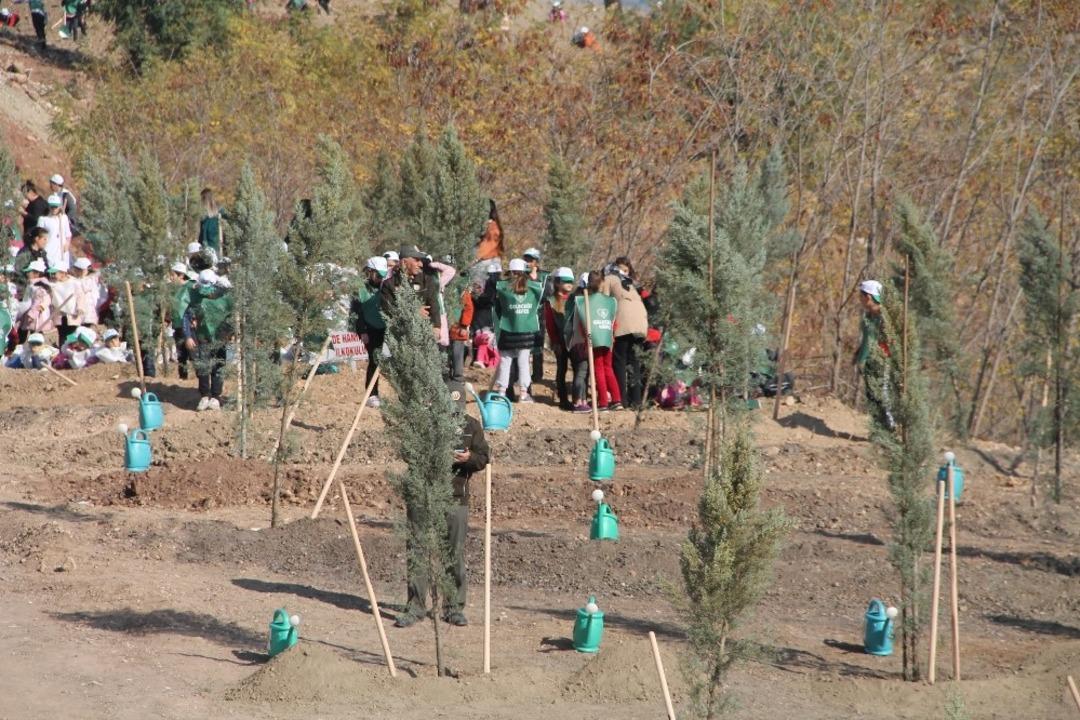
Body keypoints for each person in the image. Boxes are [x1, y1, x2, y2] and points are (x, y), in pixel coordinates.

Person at [396, 382, 490, 628]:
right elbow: (407, 451)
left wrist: (468, 458)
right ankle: (415, 607)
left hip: (456, 497)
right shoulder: (423, 422)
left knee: (453, 553)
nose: (452, 414)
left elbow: (483, 458)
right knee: (418, 552)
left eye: (456, 409)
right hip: (422, 495)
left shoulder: (471, 426)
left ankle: (453, 607)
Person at [380, 244, 456, 354]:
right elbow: (387, 310)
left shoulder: (427, 281)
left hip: (423, 335)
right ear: (404, 262)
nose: (420, 264)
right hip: (399, 337)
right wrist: (413, 311)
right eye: (416, 260)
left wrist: (436, 327)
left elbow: (434, 305)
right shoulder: (389, 285)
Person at [567, 270, 620, 410]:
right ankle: (616, 399)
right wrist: (611, 335)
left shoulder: (584, 302)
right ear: (602, 283)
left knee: (599, 370)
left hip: (593, 340)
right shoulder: (610, 301)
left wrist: (586, 339)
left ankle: (603, 402)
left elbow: (580, 325)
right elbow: (614, 322)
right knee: (608, 368)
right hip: (607, 338)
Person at [492, 258, 543, 402]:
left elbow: (497, 307)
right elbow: (543, 297)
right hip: (526, 332)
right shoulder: (533, 287)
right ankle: (523, 393)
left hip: (508, 331)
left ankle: (501, 393)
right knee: (524, 363)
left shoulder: (502, 287)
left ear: (510, 271)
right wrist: (534, 276)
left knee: (505, 362)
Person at [184, 269, 234, 411]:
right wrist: (188, 335)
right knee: (203, 366)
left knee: (218, 366)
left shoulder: (226, 297)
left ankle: (216, 397)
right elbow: (187, 315)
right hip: (202, 336)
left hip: (220, 337)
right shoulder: (195, 296)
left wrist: (229, 333)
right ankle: (205, 395)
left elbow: (233, 316)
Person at [602, 256, 647, 409]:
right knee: (634, 362)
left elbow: (603, 301)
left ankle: (620, 399)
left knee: (619, 362)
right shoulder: (631, 282)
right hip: (641, 323)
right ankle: (637, 401)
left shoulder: (609, 278)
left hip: (624, 322)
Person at [853, 279, 895, 430]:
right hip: (872, 359)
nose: (860, 299)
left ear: (868, 296)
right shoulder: (868, 316)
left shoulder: (884, 316)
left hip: (884, 360)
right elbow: (867, 340)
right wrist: (859, 354)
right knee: (872, 395)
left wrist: (861, 360)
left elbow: (873, 339)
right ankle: (878, 429)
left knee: (883, 395)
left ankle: (891, 428)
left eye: (861, 296)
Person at [351, 256, 388, 407]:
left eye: (382, 276)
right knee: (374, 360)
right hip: (369, 329)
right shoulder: (359, 288)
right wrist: (362, 331)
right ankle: (372, 394)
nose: (380, 279)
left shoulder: (385, 286)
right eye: (378, 275)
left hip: (385, 327)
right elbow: (355, 313)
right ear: (370, 272)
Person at [543, 267, 576, 409]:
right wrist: (555, 341)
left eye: (571, 281)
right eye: (566, 281)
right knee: (561, 369)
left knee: (577, 369)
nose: (569, 284)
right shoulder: (550, 302)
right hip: (560, 342)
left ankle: (577, 399)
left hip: (575, 341)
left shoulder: (576, 299)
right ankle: (563, 399)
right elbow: (550, 324)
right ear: (557, 283)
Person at [522, 247, 548, 382]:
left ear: (536, 262)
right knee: (522, 346)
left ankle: (537, 375)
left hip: (538, 316)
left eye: (530, 260)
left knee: (537, 346)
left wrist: (534, 281)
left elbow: (546, 296)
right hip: (522, 315)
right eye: (525, 259)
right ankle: (522, 375)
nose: (527, 262)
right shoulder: (519, 275)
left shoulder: (544, 276)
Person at [169, 262, 194, 379]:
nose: (171, 278)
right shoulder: (173, 290)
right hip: (178, 326)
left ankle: (200, 381)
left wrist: (194, 318)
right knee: (181, 355)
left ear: (181, 275)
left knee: (194, 354)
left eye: (173, 275)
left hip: (190, 326)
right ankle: (183, 378)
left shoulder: (190, 287)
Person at [16, 259, 51, 345]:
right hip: (27, 314)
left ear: (36, 273)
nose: (27, 273)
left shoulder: (39, 287)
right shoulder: (31, 284)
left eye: (29, 272)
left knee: (36, 337)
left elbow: (37, 302)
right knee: (21, 335)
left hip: (36, 317)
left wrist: (32, 314)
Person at [449, 278, 475, 383]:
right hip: (443, 328)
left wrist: (464, 325)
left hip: (457, 328)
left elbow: (468, 308)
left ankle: (458, 377)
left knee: (457, 354)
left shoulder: (460, 289)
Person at [37, 195, 71, 270]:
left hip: (62, 251)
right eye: (52, 207)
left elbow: (68, 234)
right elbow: (39, 235)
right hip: (49, 251)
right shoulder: (43, 219)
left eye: (56, 207)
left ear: (59, 206)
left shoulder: (64, 218)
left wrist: (67, 244)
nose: (54, 209)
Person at [48, 262, 79, 346]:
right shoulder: (52, 284)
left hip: (72, 315)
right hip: (59, 315)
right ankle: (61, 353)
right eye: (52, 273)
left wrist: (80, 309)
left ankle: (71, 350)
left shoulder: (74, 283)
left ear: (63, 273)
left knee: (71, 334)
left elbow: (80, 297)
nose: (53, 275)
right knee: (62, 334)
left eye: (55, 273)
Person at [70, 257, 100, 328]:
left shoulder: (89, 280)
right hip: (80, 306)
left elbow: (84, 288)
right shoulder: (79, 279)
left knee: (86, 325)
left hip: (87, 307)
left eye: (76, 270)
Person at [197, 189, 224, 257]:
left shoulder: (219, 212)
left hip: (214, 245)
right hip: (204, 245)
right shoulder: (203, 214)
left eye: (202, 199)